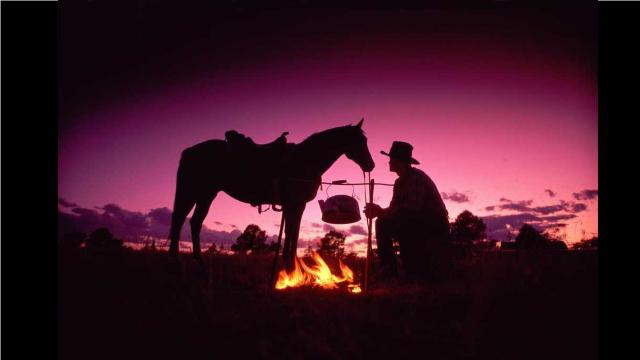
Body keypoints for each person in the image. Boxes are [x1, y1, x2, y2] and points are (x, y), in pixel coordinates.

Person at [364, 141, 450, 282]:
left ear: (399, 161)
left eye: (391, 159)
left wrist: (380, 211)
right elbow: (395, 210)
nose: (389, 162)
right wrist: (379, 211)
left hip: (434, 224)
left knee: (399, 222)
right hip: (417, 220)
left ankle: (402, 271)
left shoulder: (416, 178)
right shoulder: (399, 183)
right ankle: (389, 270)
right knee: (384, 222)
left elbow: (411, 209)